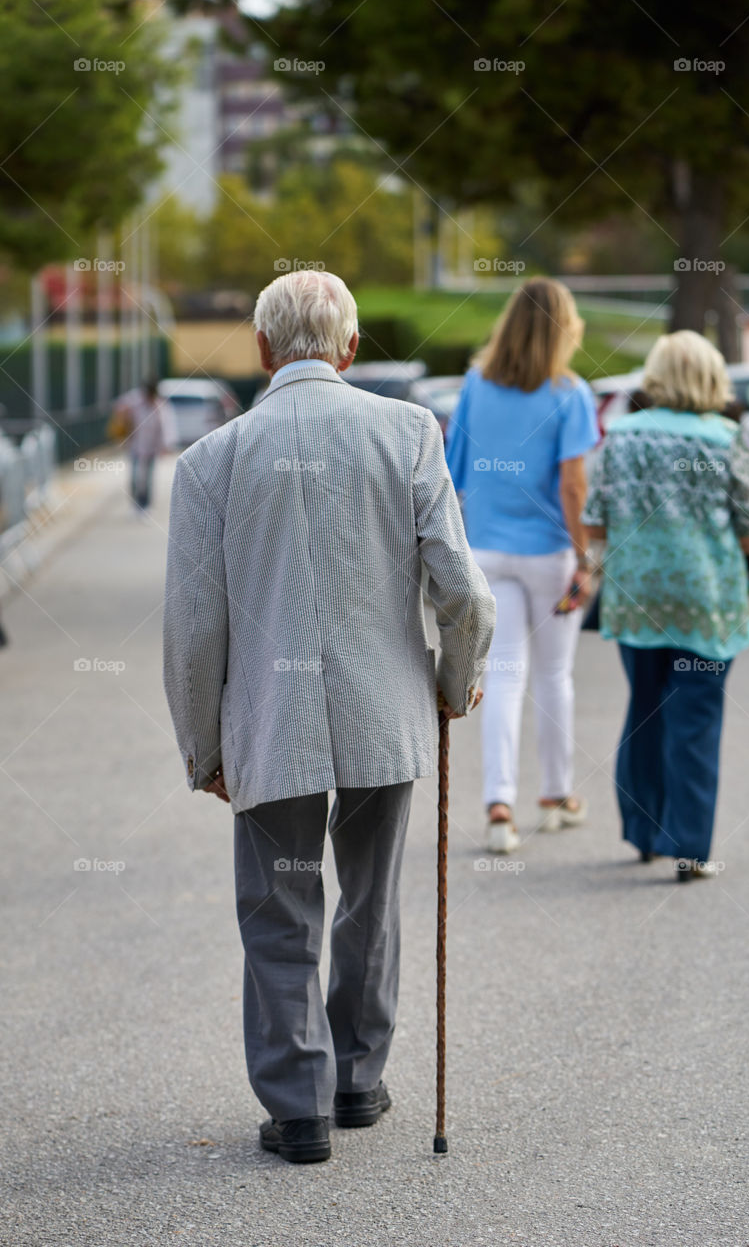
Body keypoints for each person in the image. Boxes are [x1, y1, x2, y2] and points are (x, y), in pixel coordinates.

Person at [162, 270, 494, 1165]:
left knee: (279, 912)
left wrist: (202, 747)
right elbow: (462, 591)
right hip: (384, 711)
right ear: (350, 349)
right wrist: (452, 683)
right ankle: (357, 1078)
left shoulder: (209, 462)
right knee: (369, 903)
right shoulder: (409, 432)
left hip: (268, 722)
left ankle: (298, 1107)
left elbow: (194, 630)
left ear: (263, 350)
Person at [581, 330, 749, 882]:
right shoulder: (724, 438)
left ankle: (644, 832)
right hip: (704, 600)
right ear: (712, 377)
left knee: (643, 709)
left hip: (636, 596)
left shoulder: (622, 434)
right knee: (695, 719)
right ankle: (690, 847)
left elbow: (595, 519)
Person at [445, 277, 600, 856]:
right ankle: (556, 797)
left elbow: (452, 474)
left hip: (486, 550)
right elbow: (573, 484)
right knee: (554, 676)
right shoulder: (570, 392)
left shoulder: (474, 385)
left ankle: (498, 806)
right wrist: (586, 558)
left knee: (504, 675)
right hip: (549, 554)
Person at [110, 378, 168, 512]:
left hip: (151, 447)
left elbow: (163, 427)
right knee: (135, 477)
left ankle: (145, 504)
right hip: (135, 446)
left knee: (148, 477)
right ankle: (135, 504)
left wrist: (163, 445)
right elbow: (118, 406)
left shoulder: (159, 406)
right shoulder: (134, 401)